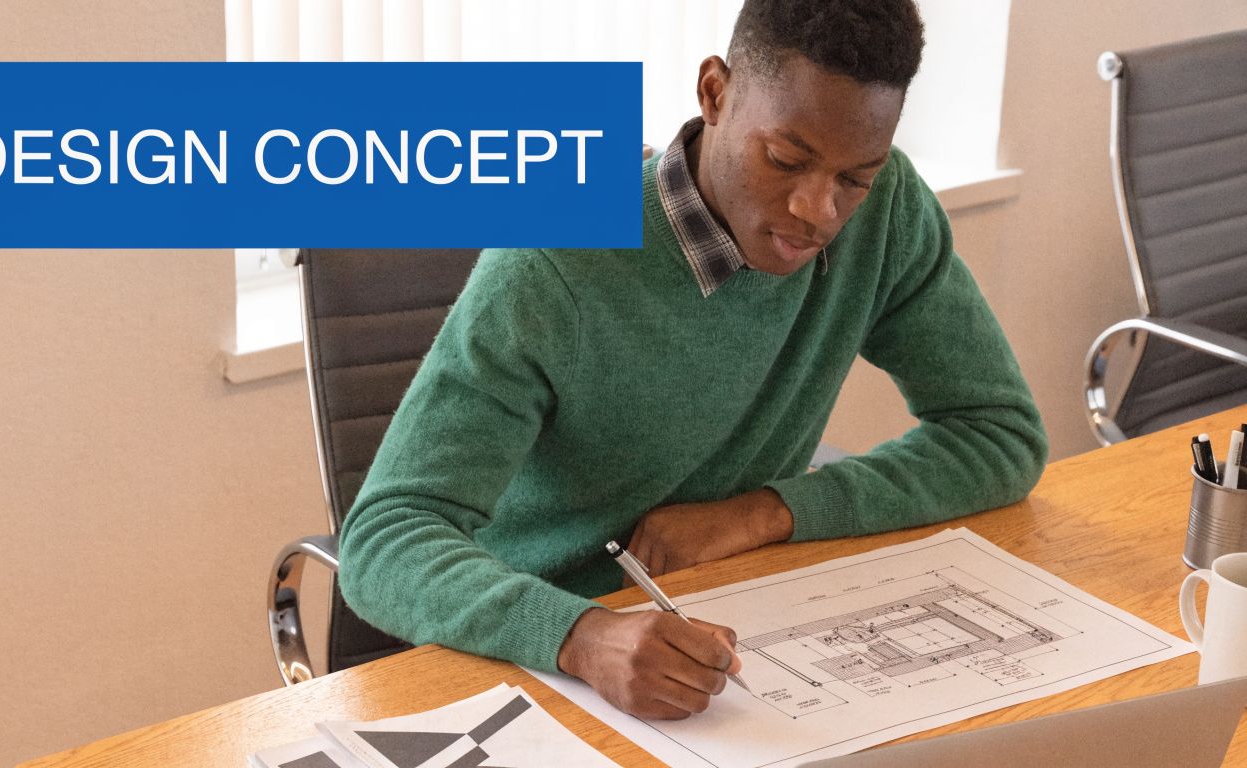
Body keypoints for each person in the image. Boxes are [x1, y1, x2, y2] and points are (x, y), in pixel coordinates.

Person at [337, 0, 1048, 721]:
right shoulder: (552, 262)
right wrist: (581, 636)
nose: (819, 210)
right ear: (714, 92)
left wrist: (764, 513)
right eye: (786, 159)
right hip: (529, 657)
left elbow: (999, 435)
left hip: (732, 626)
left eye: (854, 178)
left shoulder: (889, 210)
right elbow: (385, 539)